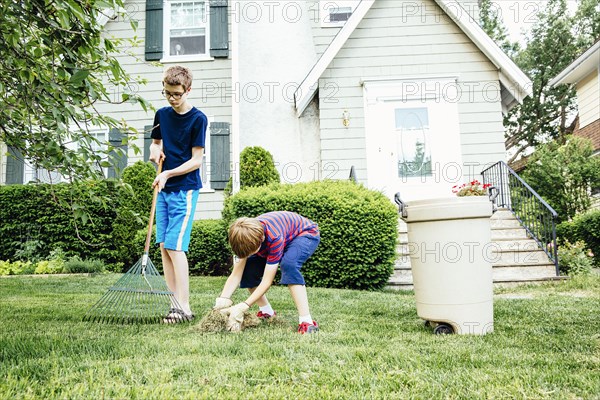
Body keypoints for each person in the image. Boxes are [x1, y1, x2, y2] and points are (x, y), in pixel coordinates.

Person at [149, 65, 207, 323]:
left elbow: (196, 160)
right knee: (163, 246)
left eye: (176, 94)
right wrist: (154, 152)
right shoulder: (161, 114)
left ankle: (185, 305)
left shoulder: (198, 119)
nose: (172, 99)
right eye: (167, 93)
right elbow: (156, 143)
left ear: (188, 90)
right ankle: (173, 304)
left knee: (176, 246)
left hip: (184, 189)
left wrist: (168, 174)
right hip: (163, 189)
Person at [215, 211, 321, 334]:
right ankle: (267, 312)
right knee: (247, 269)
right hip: (280, 235)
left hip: (305, 234)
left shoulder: (274, 237)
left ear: (262, 239)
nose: (248, 255)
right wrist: (223, 299)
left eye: (251, 252)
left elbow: (267, 281)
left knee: (289, 265)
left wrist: (244, 305)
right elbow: (236, 275)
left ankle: (306, 321)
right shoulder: (242, 237)